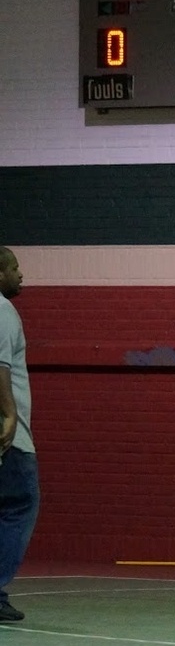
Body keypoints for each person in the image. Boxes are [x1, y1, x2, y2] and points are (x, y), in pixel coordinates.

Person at [0, 249, 37, 623]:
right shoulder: (2, 311)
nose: (20, 275)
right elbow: (0, 366)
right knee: (19, 505)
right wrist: (11, 416)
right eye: (14, 268)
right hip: (9, 439)